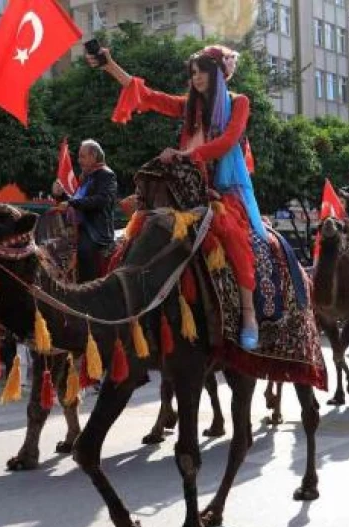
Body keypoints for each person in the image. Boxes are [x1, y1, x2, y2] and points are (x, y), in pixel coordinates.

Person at [90, 43, 263, 349]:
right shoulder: (189, 107)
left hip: (222, 190)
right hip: (186, 186)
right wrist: (109, 65)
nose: (195, 78)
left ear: (217, 74)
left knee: (232, 235)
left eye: (201, 72)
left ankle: (248, 314)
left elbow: (227, 141)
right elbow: (150, 97)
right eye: (192, 73)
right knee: (139, 231)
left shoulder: (240, 103)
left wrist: (185, 155)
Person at [51, 139, 118, 282]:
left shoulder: (106, 175)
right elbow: (77, 201)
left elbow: (101, 200)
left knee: (84, 251)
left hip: (95, 231)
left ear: (94, 156)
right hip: (81, 228)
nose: (79, 160)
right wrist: (61, 195)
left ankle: (87, 290)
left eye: (82, 156)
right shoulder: (87, 177)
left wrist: (70, 202)